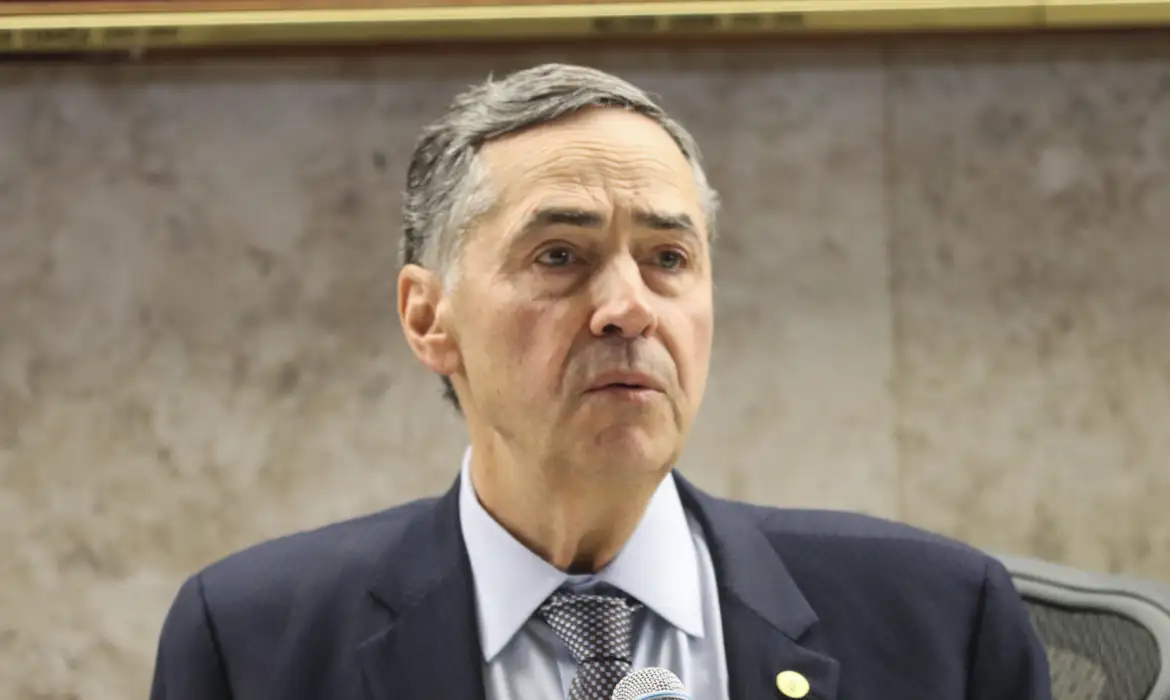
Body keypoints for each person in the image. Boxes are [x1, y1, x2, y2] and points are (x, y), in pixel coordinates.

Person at [149, 63, 1051, 700]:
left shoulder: (941, 621)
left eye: (668, 258)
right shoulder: (254, 642)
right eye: (560, 256)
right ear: (429, 319)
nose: (628, 308)